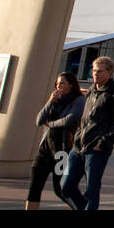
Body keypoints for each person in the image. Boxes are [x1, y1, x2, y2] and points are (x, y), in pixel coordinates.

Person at [60, 56, 114, 211]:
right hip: (78, 147)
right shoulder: (91, 90)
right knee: (66, 186)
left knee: (92, 189)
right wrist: (76, 138)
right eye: (94, 70)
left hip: (97, 149)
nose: (96, 73)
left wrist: (102, 143)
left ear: (110, 73)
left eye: (100, 71)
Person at [26, 72, 85, 210]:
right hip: (46, 147)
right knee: (35, 187)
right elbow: (39, 120)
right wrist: (50, 101)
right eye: (57, 84)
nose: (59, 86)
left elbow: (69, 120)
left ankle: (83, 208)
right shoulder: (55, 100)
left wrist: (50, 123)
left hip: (62, 148)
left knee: (60, 189)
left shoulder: (78, 100)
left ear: (71, 85)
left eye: (62, 83)